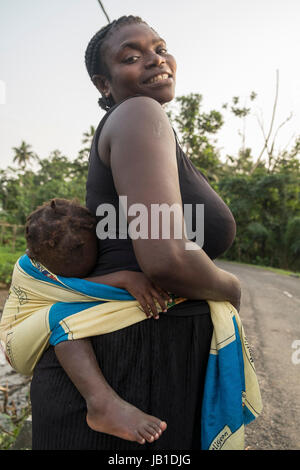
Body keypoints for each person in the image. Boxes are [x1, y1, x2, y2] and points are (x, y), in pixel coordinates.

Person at [30, 15, 241, 450]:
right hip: (133, 362)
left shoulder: (145, 127)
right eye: (132, 56)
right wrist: (231, 288)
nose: (155, 60)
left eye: (161, 49)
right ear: (103, 84)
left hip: (142, 357)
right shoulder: (139, 113)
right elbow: (166, 258)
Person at [0, 197, 171, 444]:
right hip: (15, 342)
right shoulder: (30, 269)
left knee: (67, 313)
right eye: (67, 268)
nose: (80, 271)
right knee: (67, 317)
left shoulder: (46, 256)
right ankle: (101, 404)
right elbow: (80, 290)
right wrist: (124, 278)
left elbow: (75, 285)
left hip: (32, 328)